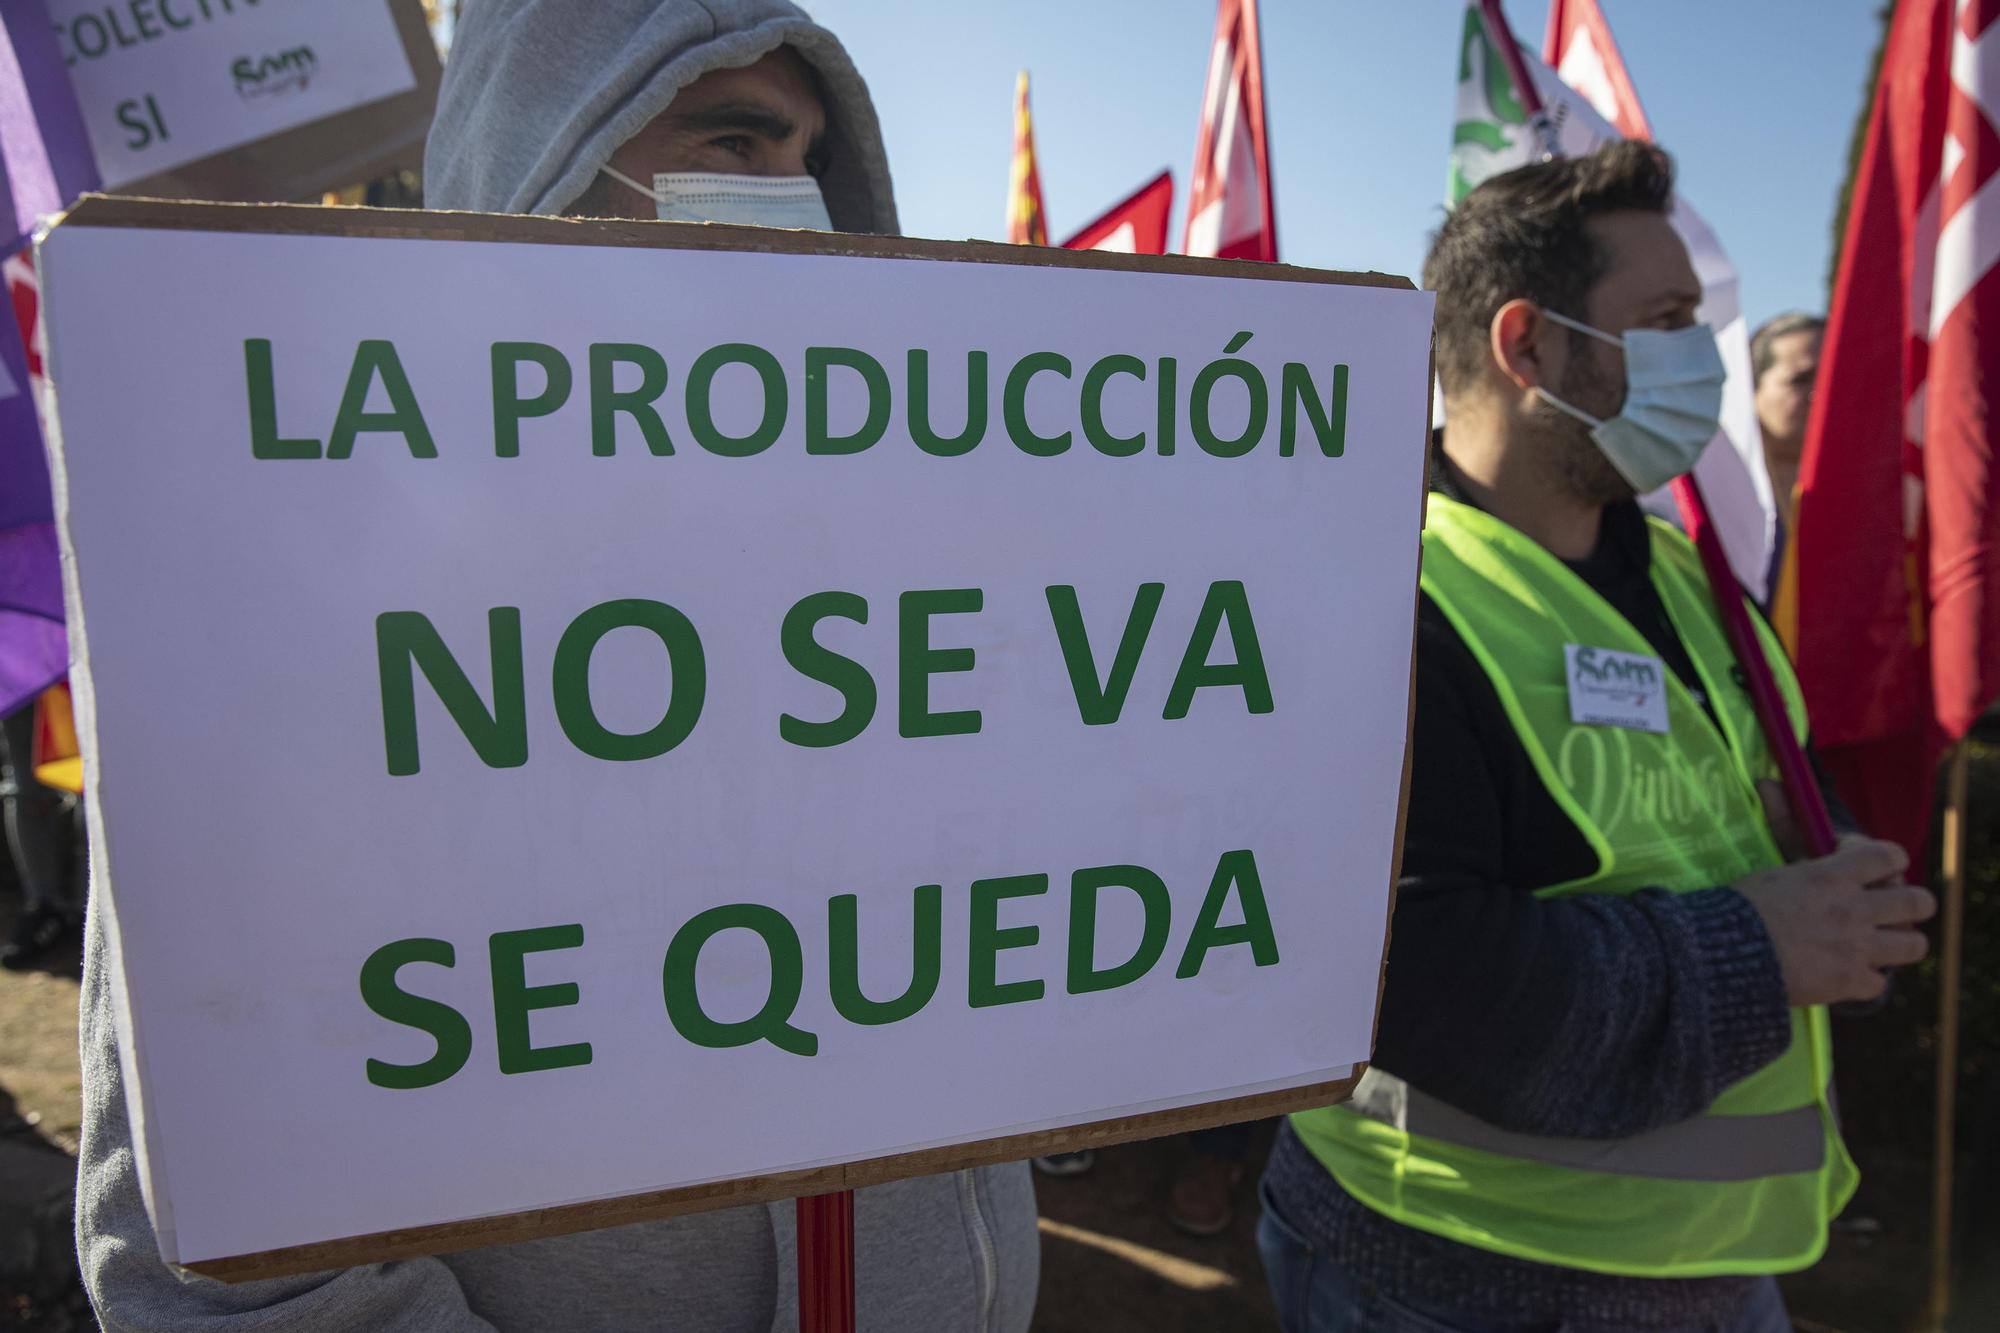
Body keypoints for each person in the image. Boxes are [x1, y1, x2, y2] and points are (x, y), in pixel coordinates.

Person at [75, 5, 1038, 1330]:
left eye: (812, 158)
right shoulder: (291, 618)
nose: (793, 202)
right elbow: (228, 1276)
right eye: (736, 143)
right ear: (540, 168)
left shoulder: (908, 572)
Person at [1257, 143, 1936, 1333]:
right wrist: (1758, 949)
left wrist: (1832, 887)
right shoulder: (1377, 598)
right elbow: (1411, 974)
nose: (1701, 360)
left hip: (1719, 1267)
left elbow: (1743, 818)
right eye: (1666, 320)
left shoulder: (1687, 573)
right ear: (1526, 347)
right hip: (1452, 1277)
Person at [1751, 311, 1824, 596]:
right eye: (1801, 379)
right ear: (1752, 388)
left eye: (1833, 375)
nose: (1821, 393)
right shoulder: (1719, 504)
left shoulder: (1879, 497)